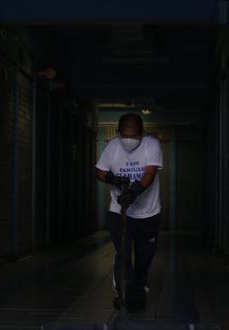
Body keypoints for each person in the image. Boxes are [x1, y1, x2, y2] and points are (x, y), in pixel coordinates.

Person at [95, 113, 163, 311]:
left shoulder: (152, 145)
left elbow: (149, 175)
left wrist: (133, 192)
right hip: (119, 212)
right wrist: (114, 180)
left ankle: (140, 283)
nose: (129, 141)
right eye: (125, 136)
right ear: (118, 133)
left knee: (144, 256)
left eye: (134, 137)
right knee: (123, 253)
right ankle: (126, 292)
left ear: (142, 134)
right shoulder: (113, 147)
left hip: (148, 213)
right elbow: (99, 172)